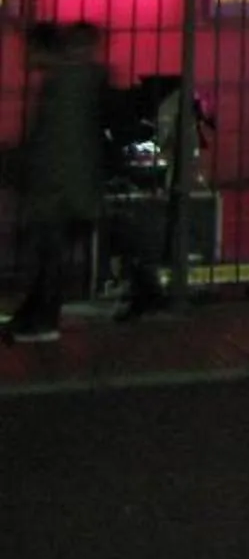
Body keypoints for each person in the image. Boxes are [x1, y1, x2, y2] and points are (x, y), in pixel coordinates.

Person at [10, 21, 161, 342]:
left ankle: (43, 322)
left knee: (52, 256)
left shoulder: (68, 84)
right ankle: (33, 318)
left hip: (64, 192)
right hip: (71, 189)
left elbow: (58, 148)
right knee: (57, 254)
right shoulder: (75, 81)